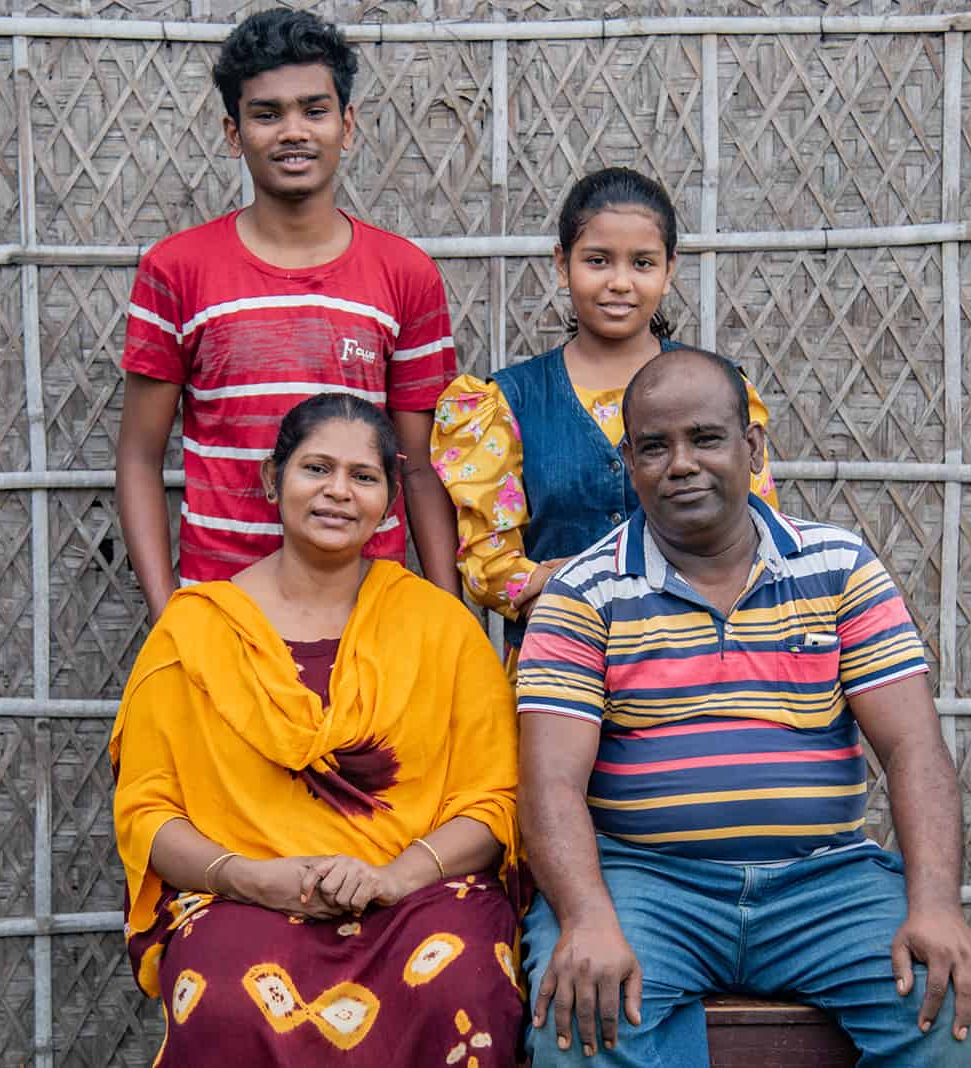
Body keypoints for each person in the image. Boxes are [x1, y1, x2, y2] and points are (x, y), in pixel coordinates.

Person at [515, 347, 971, 1067]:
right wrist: (586, 917)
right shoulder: (584, 591)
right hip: (647, 885)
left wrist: (934, 907)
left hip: (824, 882)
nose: (681, 463)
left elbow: (913, 750)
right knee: (582, 1028)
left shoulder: (837, 568)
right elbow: (548, 782)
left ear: (752, 446)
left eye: (705, 438)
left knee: (945, 1015)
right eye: (655, 446)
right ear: (629, 461)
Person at [110, 393, 522, 1065]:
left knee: (463, 979)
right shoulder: (194, 632)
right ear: (274, 480)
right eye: (316, 469)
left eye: (363, 477)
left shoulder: (442, 630)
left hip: (417, 893)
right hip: (242, 895)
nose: (338, 492)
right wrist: (252, 878)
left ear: (390, 500)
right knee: (223, 996)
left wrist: (393, 877)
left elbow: (493, 802)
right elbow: (148, 815)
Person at [116, 8, 460, 626]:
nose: (293, 131)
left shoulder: (406, 274)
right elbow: (140, 457)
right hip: (222, 615)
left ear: (347, 124)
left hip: (368, 619)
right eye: (267, 114)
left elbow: (419, 466)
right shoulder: (176, 270)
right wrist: (171, 615)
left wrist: (447, 617)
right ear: (233, 131)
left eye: (314, 110)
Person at [431, 167, 778, 657]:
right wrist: (591, 593)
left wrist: (571, 578)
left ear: (670, 268)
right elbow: (489, 564)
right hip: (557, 666)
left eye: (642, 263)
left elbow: (757, 525)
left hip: (696, 663)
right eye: (597, 260)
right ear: (561, 263)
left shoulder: (721, 390)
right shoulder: (504, 404)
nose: (620, 282)